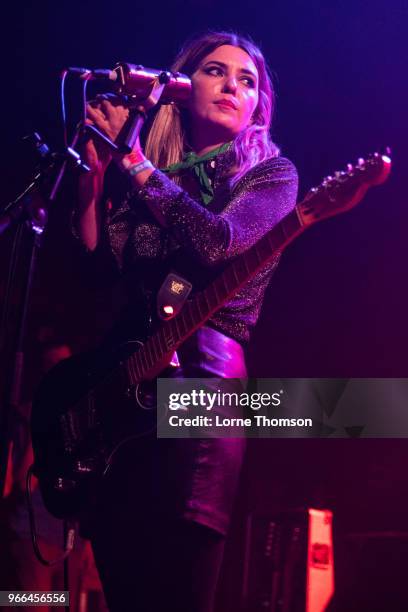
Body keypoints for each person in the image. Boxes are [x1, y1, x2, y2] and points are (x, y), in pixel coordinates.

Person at [74, 30, 298, 612]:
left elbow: (218, 243)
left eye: (246, 81)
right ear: (178, 89)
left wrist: (139, 168)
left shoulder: (270, 176)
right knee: (123, 581)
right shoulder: (143, 173)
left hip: (205, 385)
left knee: (178, 587)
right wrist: (93, 185)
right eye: (215, 72)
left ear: (258, 106)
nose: (231, 86)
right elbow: (101, 276)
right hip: (125, 397)